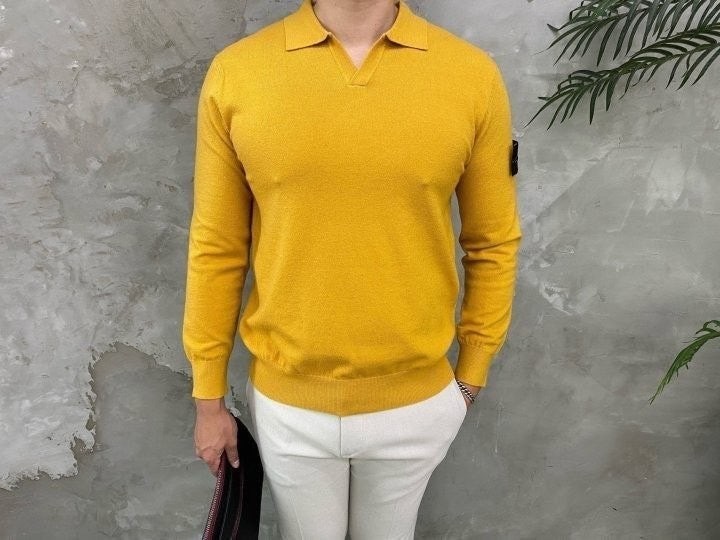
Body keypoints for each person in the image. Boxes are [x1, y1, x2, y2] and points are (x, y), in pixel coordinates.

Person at [183, 0, 522, 538]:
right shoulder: (239, 72)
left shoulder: (469, 74)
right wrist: (208, 398)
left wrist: (471, 375)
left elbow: (492, 241)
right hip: (288, 408)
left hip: (417, 406)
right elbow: (217, 246)